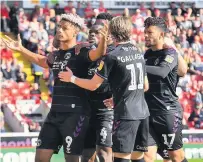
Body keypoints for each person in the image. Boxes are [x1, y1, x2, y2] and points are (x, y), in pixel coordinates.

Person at [2, 13, 108, 162]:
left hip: (76, 115)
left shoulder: (82, 51)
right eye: (59, 26)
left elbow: (98, 53)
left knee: (72, 160)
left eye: (64, 28)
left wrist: (103, 39)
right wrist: (20, 49)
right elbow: (42, 61)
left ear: (75, 32)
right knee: (40, 158)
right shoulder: (56, 55)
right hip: (54, 114)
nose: (59, 30)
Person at [58, 16, 149, 162]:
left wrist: (71, 78)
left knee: (121, 158)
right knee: (138, 157)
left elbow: (94, 84)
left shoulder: (112, 56)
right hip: (143, 113)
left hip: (125, 114)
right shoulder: (137, 51)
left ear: (111, 32)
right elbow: (145, 86)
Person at [143, 17, 188, 162]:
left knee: (176, 156)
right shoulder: (147, 54)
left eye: (150, 32)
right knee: (147, 155)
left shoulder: (170, 53)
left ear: (161, 35)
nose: (145, 35)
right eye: (145, 32)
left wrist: (137, 65)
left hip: (167, 111)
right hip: (148, 111)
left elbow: (162, 72)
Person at [81, 13, 114, 162]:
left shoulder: (114, 55)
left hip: (106, 111)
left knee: (104, 152)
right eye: (90, 32)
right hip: (87, 110)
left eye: (97, 32)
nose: (92, 35)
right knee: (87, 155)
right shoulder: (83, 54)